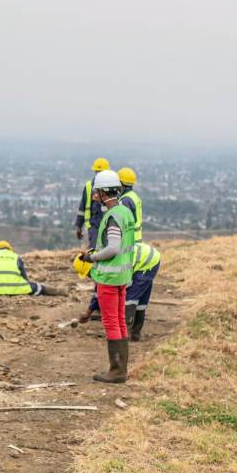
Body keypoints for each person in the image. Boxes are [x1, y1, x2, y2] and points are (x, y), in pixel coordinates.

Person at [76, 169, 136, 384]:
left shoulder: (113, 216)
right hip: (122, 276)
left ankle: (117, 371)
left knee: (111, 321)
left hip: (109, 278)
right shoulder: (125, 212)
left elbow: (113, 248)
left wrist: (92, 258)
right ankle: (121, 369)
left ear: (103, 193)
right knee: (119, 320)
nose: (95, 196)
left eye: (97, 192)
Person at [0, 240, 64, 296]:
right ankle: (55, 291)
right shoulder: (15, 256)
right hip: (16, 289)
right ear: (10, 249)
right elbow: (24, 277)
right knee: (35, 286)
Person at [126, 241, 161, 341]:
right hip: (149, 258)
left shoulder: (115, 264)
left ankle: (125, 335)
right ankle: (135, 335)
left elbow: (126, 283)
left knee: (130, 299)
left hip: (147, 262)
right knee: (141, 300)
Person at [74, 157, 111, 246]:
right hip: (94, 227)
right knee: (96, 251)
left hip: (108, 227)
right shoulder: (89, 186)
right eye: (98, 172)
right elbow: (82, 208)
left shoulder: (112, 187)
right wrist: (79, 226)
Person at [118, 167, 144, 241]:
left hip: (129, 242)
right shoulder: (134, 196)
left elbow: (124, 224)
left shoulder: (125, 200)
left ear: (121, 183)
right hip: (137, 239)